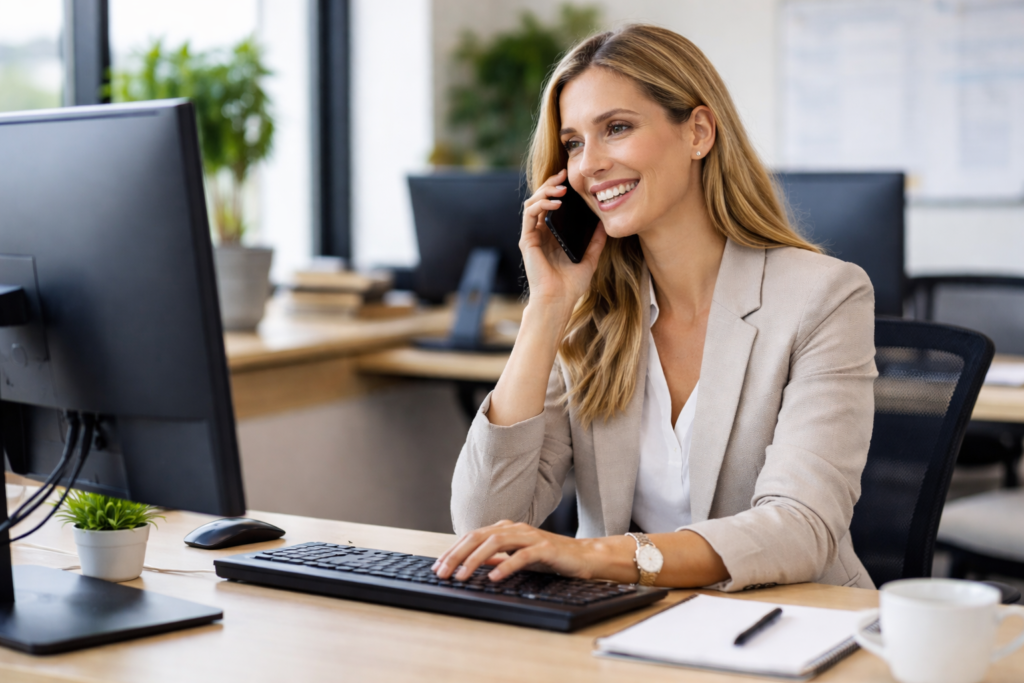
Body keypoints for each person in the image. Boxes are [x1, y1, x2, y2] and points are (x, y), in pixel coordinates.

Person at [434, 24, 877, 592]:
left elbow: (800, 527)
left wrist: (596, 556)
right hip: (630, 627)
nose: (588, 165)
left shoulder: (824, 297)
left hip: (790, 624)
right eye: (572, 143)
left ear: (697, 132)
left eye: (616, 128)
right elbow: (484, 521)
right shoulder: (592, 315)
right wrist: (546, 309)